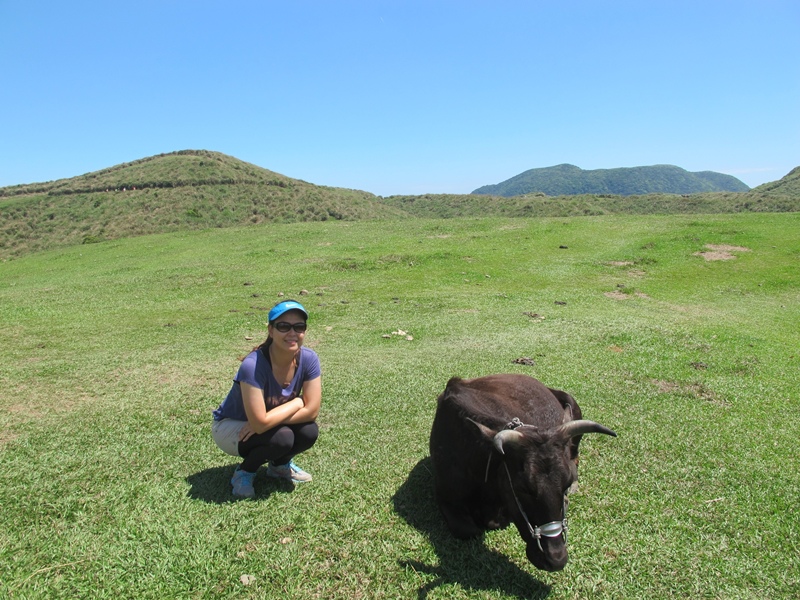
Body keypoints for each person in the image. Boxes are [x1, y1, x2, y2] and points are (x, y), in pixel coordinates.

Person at [211, 300, 321, 498]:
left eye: (299, 327)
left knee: (309, 430)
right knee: (283, 437)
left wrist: (267, 421)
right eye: (283, 326)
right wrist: (297, 402)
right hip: (231, 427)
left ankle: (279, 466)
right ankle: (244, 471)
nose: (292, 333)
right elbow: (260, 423)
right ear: (271, 330)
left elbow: (312, 411)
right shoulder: (253, 365)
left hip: (263, 422)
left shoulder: (309, 359)